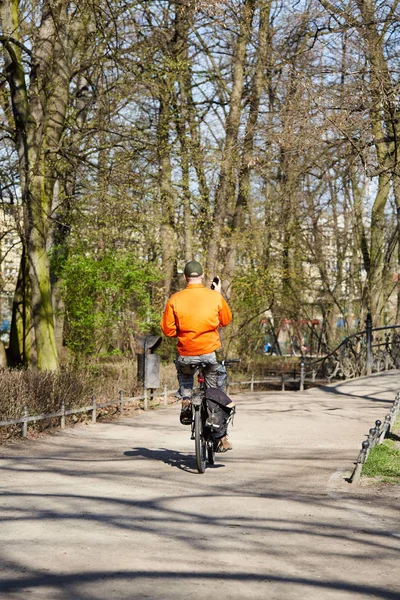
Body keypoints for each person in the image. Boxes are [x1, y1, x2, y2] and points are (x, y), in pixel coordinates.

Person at [160, 260, 233, 452]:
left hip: (186, 353)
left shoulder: (175, 299)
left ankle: (186, 400)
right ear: (202, 276)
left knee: (185, 374)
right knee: (215, 390)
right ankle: (221, 438)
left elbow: (167, 330)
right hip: (208, 354)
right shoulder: (213, 297)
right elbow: (226, 320)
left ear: (185, 278)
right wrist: (217, 293)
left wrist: (184, 332)